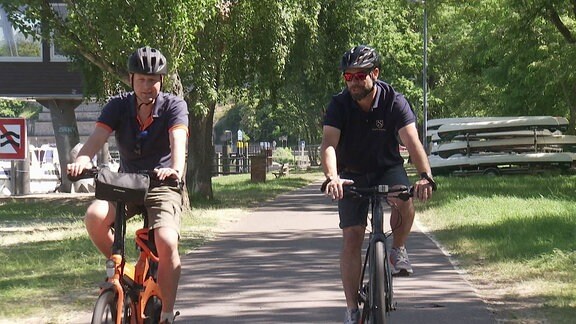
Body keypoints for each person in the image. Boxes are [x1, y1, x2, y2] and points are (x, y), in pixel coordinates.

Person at [67, 46, 188, 324]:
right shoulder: (118, 105)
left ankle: (167, 314)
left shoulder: (173, 106)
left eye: (154, 79)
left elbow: (178, 141)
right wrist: (83, 159)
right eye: (142, 79)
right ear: (131, 79)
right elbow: (97, 138)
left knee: (167, 242)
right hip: (127, 183)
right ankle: (127, 273)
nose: (148, 86)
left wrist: (175, 170)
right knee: (95, 217)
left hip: (161, 184)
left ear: (162, 81)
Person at [320, 45, 436, 324]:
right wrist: (332, 177)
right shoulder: (339, 105)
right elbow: (328, 145)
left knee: (404, 199)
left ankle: (397, 249)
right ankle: (351, 309)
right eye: (349, 77)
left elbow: (412, 142)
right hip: (351, 172)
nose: (355, 82)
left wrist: (425, 176)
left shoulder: (394, 101)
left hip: (387, 168)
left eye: (360, 76)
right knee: (352, 236)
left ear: (375, 73)